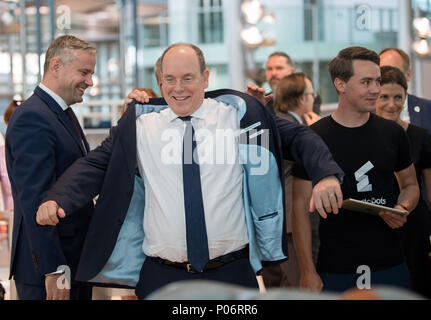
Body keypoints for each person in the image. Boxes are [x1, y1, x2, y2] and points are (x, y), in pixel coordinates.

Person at [35, 43, 344, 300]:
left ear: (205, 78)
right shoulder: (139, 126)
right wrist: (58, 199)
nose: (178, 88)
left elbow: (299, 138)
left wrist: (325, 175)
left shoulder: (240, 117)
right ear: (160, 82)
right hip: (160, 276)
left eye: (187, 78)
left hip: (232, 273)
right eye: (169, 79)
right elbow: (95, 164)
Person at [291, 46, 419, 293]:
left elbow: (411, 185)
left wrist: (403, 207)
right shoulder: (313, 138)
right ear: (340, 84)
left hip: (390, 262)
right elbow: (299, 209)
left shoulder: (393, 133)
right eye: (366, 82)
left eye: (377, 81)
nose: (375, 90)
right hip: (336, 265)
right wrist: (307, 270)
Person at [5, 35, 97, 300]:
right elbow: (37, 200)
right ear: (56, 66)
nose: (89, 82)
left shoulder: (61, 112)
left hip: (72, 263)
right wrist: (54, 270)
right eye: (84, 72)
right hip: (50, 272)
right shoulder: (34, 117)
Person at [260, 72, 321, 289]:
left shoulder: (281, 122)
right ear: (301, 99)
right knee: (299, 286)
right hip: (291, 219)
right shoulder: (291, 129)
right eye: (311, 94)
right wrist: (316, 133)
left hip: (283, 219)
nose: (313, 99)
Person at [375, 65, 431, 298]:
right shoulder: (363, 136)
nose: (392, 104)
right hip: (376, 227)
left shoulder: (421, 137)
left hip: (415, 227)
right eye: (384, 97)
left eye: (398, 97)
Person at [379, 48, 431, 133]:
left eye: (395, 72)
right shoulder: (365, 112)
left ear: (408, 75)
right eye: (382, 72)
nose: (388, 77)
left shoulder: (427, 109)